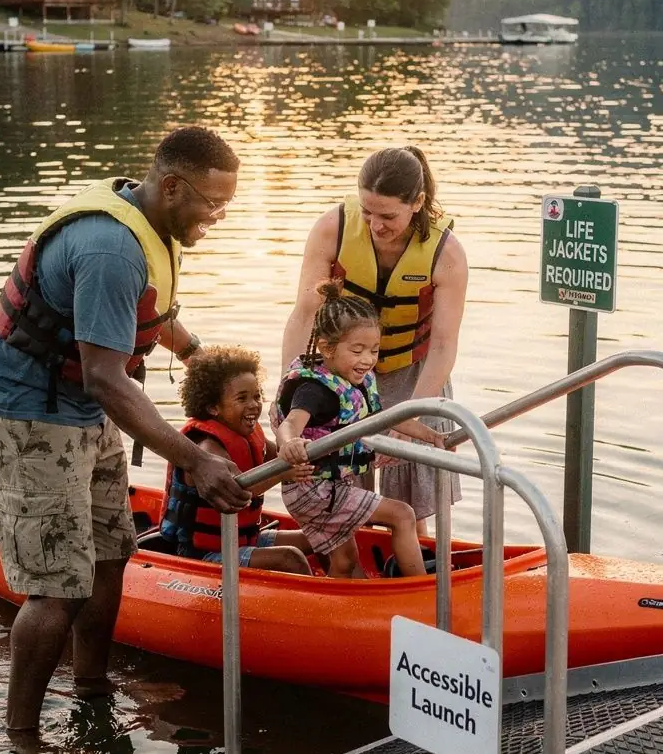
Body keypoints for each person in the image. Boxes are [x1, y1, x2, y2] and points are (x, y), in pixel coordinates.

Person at [0, 126, 251, 754]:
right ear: (171, 185)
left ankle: (91, 688)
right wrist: (195, 459)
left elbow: (154, 314)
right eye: (211, 203)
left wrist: (201, 355)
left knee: (111, 552)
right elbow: (105, 377)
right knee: (58, 585)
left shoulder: (149, 224)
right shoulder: (110, 251)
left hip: (83, 409)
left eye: (226, 206)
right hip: (26, 414)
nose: (216, 217)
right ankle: (22, 735)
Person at [281, 146, 467, 522]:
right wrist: (292, 384)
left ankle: (412, 570)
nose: (375, 225)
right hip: (337, 373)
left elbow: (445, 344)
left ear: (417, 202)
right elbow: (304, 313)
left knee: (413, 501)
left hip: (412, 373)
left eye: (388, 215)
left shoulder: (447, 254)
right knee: (342, 490)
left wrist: (413, 415)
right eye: (367, 212)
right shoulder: (332, 228)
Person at [275, 282, 427, 578]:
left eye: (374, 350)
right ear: (327, 349)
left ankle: (335, 607)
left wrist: (433, 437)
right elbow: (290, 424)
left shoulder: (352, 380)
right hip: (313, 489)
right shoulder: (315, 390)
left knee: (346, 560)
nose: (368, 360)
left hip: (330, 485)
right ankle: (420, 591)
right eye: (357, 350)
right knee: (402, 515)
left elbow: (381, 417)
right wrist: (290, 443)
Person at [160, 345, 313, 574]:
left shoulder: (249, 435)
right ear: (213, 407)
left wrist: (298, 447)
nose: (253, 405)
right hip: (204, 554)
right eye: (242, 398)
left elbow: (277, 456)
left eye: (256, 396)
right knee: (290, 558)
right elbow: (238, 489)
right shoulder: (207, 447)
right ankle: (316, 605)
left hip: (244, 538)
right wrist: (284, 473)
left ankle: (339, 585)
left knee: (315, 538)